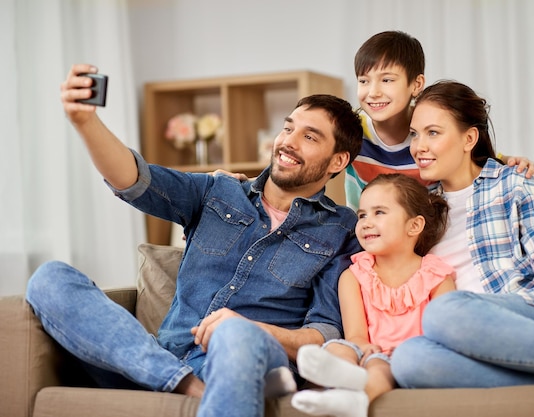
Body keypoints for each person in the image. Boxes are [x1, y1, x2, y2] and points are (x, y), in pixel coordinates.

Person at [25, 64, 365, 417]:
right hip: (158, 357)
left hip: (248, 355)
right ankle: (189, 386)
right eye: (288, 128)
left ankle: (191, 383)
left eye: (310, 137)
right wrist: (86, 122)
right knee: (50, 279)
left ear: (337, 160)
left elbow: (324, 333)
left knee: (235, 336)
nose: (288, 142)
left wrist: (246, 326)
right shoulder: (217, 191)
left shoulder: (341, 230)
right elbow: (136, 181)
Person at [389, 80, 534, 389]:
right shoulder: (420, 208)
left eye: (433, 132)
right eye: (414, 134)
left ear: (469, 138)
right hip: (475, 336)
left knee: (443, 312)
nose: (418, 146)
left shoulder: (512, 182)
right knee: (408, 359)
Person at [290, 173, 456, 417]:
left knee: (378, 367)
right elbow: (355, 333)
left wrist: (382, 356)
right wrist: (364, 348)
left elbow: (445, 334)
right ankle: (342, 384)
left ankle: (355, 400)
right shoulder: (353, 275)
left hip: (407, 359)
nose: (366, 222)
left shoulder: (436, 275)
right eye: (362, 215)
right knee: (337, 349)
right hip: (366, 351)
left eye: (379, 212)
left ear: (414, 225)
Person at [345, 30, 534, 211]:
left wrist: (511, 161)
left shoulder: (429, 126)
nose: (373, 92)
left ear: (416, 84)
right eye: (363, 81)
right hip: (364, 237)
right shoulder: (352, 129)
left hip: (427, 236)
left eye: (386, 80)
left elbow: (473, 150)